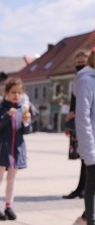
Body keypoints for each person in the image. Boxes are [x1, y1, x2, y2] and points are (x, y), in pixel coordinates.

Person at [0, 77, 32, 221]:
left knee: (12, 179)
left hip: (18, 148)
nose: (16, 95)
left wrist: (26, 122)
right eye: (13, 92)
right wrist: (7, 115)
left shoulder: (22, 109)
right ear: (6, 92)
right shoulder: (0, 108)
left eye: (19, 93)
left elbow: (27, 131)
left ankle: (9, 206)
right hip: (4, 147)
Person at [73, 47, 95, 225]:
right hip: (92, 143)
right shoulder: (86, 80)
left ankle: (86, 218)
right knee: (92, 185)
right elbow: (83, 118)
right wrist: (89, 150)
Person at [62, 49, 89, 200]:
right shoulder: (78, 78)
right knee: (83, 158)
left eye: (82, 63)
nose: (79, 65)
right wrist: (70, 123)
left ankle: (85, 189)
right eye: (77, 63)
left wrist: (77, 112)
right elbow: (74, 101)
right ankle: (81, 188)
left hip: (87, 123)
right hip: (78, 124)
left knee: (88, 158)